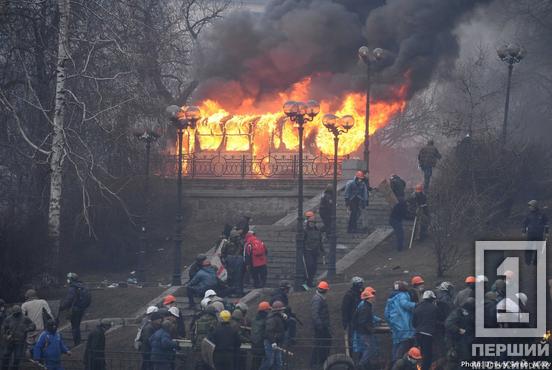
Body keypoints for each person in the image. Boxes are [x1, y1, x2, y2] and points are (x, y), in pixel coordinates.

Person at [384, 281, 416, 362]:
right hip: (404, 326)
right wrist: (416, 305)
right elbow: (405, 304)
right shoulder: (402, 295)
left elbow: (386, 314)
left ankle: (394, 362)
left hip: (395, 326)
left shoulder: (390, 299)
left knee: (396, 344)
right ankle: (399, 363)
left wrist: (391, 324)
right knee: (404, 344)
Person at [59, 272, 91, 346]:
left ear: (71, 279)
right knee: (77, 325)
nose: (67, 280)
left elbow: (69, 300)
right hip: (81, 309)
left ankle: (77, 343)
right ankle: (78, 342)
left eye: (68, 279)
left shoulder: (72, 288)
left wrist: (61, 307)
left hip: (75, 309)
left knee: (74, 327)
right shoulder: (81, 286)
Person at [1, 305, 35, 369]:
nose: (17, 315)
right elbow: (3, 328)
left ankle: (14, 368)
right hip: (10, 340)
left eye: (18, 313)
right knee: (6, 355)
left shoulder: (25, 318)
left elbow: (33, 325)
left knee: (17, 357)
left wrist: (27, 329)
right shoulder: (8, 318)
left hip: (20, 341)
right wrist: (6, 336)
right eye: (15, 313)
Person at [353, 287, 380, 370]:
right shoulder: (365, 308)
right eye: (372, 297)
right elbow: (363, 321)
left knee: (368, 348)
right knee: (369, 349)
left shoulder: (365, 306)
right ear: (368, 298)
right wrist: (370, 329)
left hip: (363, 331)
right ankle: (361, 365)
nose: (373, 298)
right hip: (364, 332)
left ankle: (364, 365)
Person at [413, 290, 439, 370]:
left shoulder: (417, 307)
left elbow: (413, 322)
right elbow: (437, 320)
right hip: (428, 334)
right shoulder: (434, 308)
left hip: (418, 333)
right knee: (427, 354)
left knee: (418, 353)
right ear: (431, 299)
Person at [445, 298, 475, 365]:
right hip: (459, 340)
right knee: (463, 359)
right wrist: (458, 329)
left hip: (467, 340)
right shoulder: (458, 312)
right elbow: (448, 323)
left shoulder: (470, 312)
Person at [260, 301, 287, 370]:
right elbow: (269, 331)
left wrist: (285, 320)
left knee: (278, 363)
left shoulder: (279, 318)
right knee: (269, 362)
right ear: (278, 310)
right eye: (282, 310)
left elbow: (284, 328)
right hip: (270, 342)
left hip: (276, 342)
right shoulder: (272, 318)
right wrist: (273, 342)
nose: (283, 311)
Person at [311, 281, 331, 369]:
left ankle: (319, 362)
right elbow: (315, 314)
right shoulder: (317, 299)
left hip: (322, 325)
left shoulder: (319, 297)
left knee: (322, 343)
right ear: (324, 290)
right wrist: (320, 326)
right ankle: (317, 363)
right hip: (320, 326)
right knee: (320, 344)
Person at [190, 305, 217, 370]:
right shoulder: (214, 321)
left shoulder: (198, 320)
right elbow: (216, 334)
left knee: (199, 364)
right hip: (209, 345)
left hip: (198, 345)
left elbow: (192, 332)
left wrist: (194, 343)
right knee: (209, 364)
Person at [522, 200, 549, 265]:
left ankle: (536, 262)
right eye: (529, 206)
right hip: (531, 234)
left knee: (538, 249)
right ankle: (527, 262)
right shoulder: (528, 214)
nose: (529, 207)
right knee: (529, 248)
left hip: (539, 234)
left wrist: (547, 232)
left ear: (535, 206)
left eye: (530, 206)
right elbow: (524, 223)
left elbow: (546, 224)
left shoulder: (542, 214)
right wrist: (524, 231)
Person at [341, 276, 364, 351]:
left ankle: (360, 355)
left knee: (361, 339)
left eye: (361, 284)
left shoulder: (362, 293)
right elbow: (345, 309)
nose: (361, 286)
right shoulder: (349, 295)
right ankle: (351, 355)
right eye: (359, 284)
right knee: (352, 339)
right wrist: (345, 322)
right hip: (352, 320)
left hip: (361, 320)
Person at [303, 211, 325, 287]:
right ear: (308, 223)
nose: (312, 224)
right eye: (310, 222)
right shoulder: (305, 231)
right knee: (309, 266)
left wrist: (322, 250)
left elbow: (320, 241)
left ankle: (310, 281)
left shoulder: (317, 231)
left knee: (314, 268)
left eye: (313, 222)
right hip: (308, 251)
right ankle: (306, 281)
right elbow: (302, 241)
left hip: (315, 251)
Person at [221, 229, 245, 296]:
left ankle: (239, 291)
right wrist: (224, 263)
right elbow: (222, 254)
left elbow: (243, 251)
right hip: (230, 262)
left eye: (238, 236)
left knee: (239, 277)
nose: (237, 238)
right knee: (231, 278)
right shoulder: (227, 243)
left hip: (238, 261)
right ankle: (231, 291)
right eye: (235, 237)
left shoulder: (240, 243)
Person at [251, 302, 270, 370]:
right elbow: (266, 332)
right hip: (262, 344)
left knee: (255, 362)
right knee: (265, 362)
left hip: (254, 344)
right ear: (265, 310)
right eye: (268, 309)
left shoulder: (254, 319)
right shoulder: (266, 320)